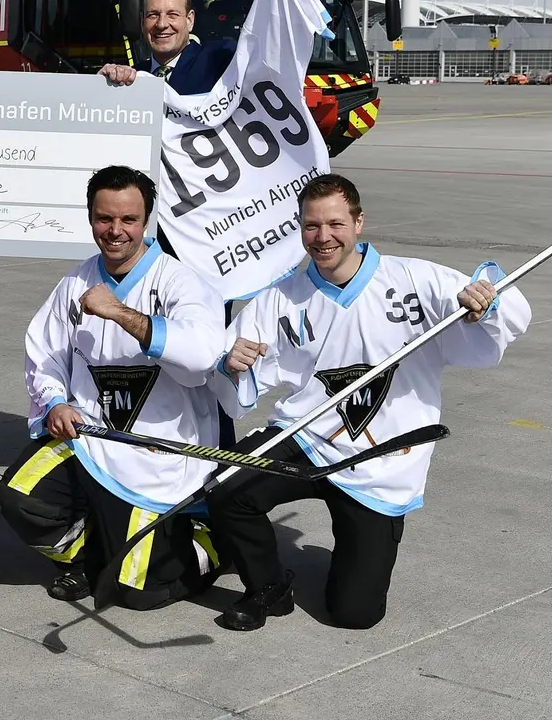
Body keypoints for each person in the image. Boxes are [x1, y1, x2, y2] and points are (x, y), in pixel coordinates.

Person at [206, 174, 531, 631]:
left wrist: (485, 304)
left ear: (359, 222)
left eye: (336, 223)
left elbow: (510, 309)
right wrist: (231, 364)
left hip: (382, 459)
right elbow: (230, 373)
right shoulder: (280, 298)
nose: (323, 238)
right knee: (226, 489)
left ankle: (360, 548)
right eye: (311, 226)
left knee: (355, 614)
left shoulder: (417, 279)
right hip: (309, 437)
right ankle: (268, 586)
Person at [0, 167, 227, 610]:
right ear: (90, 217)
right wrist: (55, 403)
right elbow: (43, 354)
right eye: (104, 219)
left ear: (146, 221)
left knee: (139, 594)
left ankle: (213, 544)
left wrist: (119, 312)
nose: (115, 231)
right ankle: (84, 556)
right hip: (90, 439)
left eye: (129, 220)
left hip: (155, 452)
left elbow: (200, 354)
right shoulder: (74, 283)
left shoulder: (182, 282)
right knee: (18, 497)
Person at [99, 0, 305, 94]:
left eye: (172, 14)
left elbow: (274, 57)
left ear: (190, 20)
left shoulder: (220, 60)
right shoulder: (134, 76)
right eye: (153, 15)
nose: (161, 24)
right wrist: (101, 86)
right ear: (142, 21)